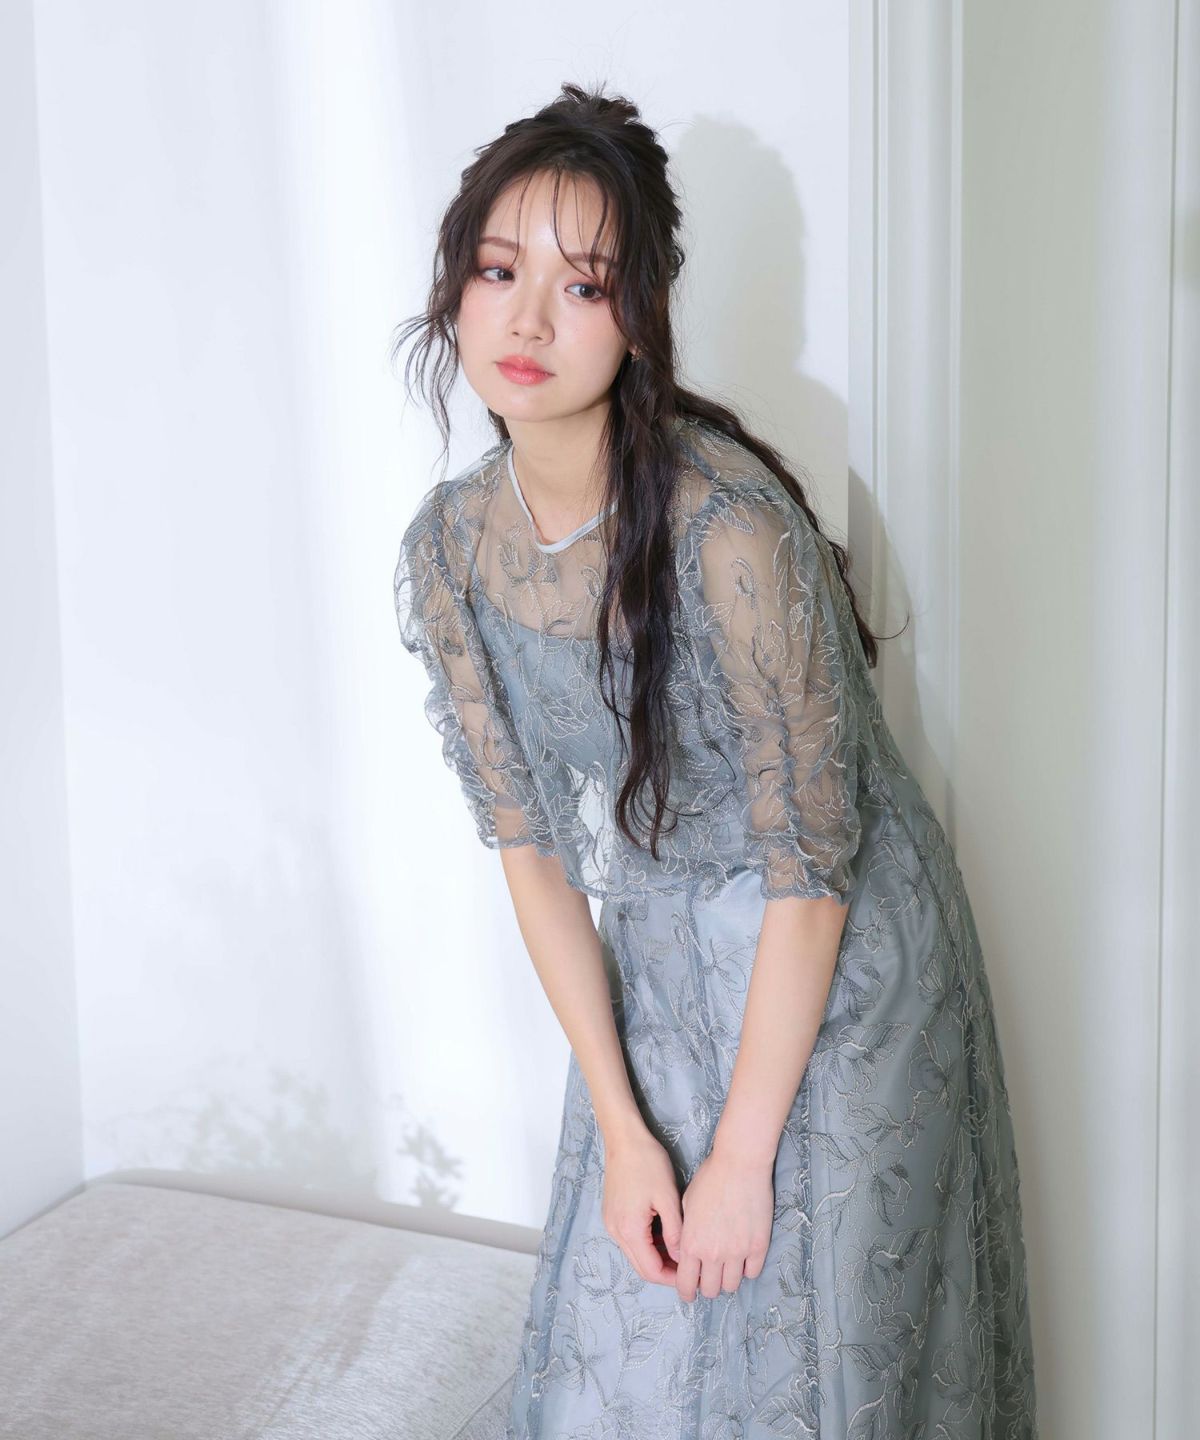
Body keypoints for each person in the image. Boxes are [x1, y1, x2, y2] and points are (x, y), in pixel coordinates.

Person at [391, 81, 1038, 1440]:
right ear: (453, 288)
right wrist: (625, 1127)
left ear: (640, 317)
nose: (527, 321)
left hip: (842, 959)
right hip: (664, 947)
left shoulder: (726, 529)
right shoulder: (449, 549)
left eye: (583, 285)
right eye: (499, 272)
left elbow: (815, 866)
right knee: (618, 1352)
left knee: (814, 1366)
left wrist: (742, 1158)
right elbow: (529, 850)